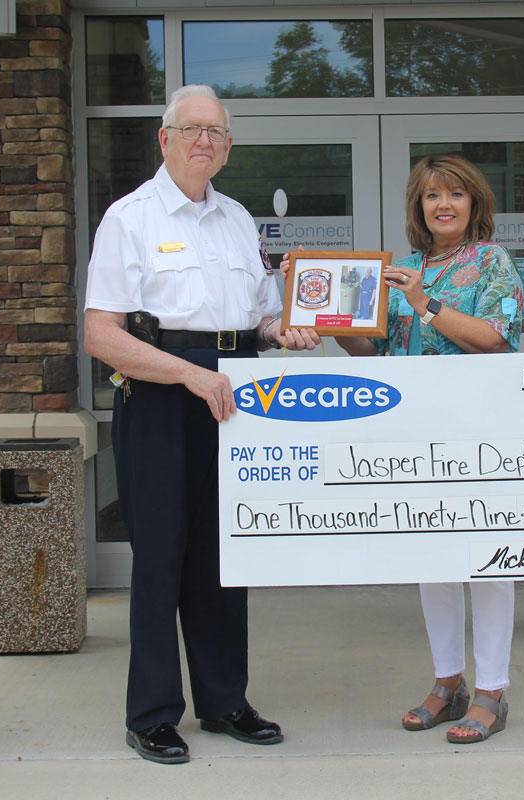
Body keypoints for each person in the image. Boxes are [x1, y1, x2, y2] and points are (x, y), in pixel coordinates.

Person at [84, 84, 319, 765]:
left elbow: (260, 319)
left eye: (216, 133)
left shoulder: (240, 220)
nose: (204, 142)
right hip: (162, 394)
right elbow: (102, 334)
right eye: (191, 130)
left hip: (235, 395)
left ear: (228, 146)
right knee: (161, 558)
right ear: (164, 139)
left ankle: (224, 701)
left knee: (224, 556)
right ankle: (153, 713)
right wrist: (186, 373)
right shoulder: (128, 218)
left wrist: (286, 332)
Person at [284, 154, 523, 743]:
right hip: (415, 432)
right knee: (432, 557)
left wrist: (425, 304)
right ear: (419, 207)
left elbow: (495, 340)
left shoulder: (492, 261)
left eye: (455, 194)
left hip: (479, 431)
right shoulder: (402, 268)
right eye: (432, 195)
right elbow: (373, 353)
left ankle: (492, 689)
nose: (443, 204)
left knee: (488, 558)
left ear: (474, 203)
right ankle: (449, 683)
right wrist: (322, 306)